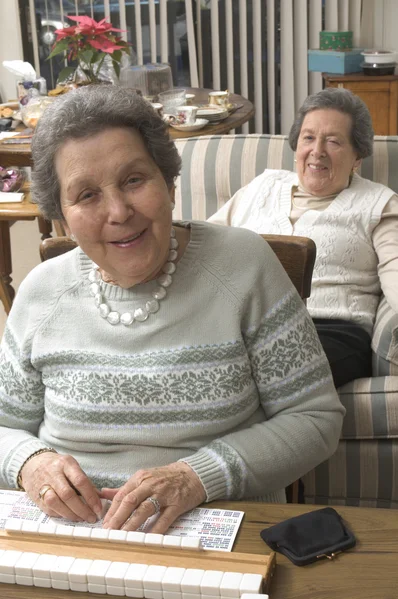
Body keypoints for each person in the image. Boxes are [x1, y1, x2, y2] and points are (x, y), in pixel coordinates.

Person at [0, 85, 344, 534]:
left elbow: (315, 419)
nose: (119, 211)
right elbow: (5, 427)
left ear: (169, 181)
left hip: (215, 528)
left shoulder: (243, 266)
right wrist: (31, 463)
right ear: (61, 213)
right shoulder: (41, 292)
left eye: (133, 180)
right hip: (70, 540)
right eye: (86, 195)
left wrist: (197, 476)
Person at [209, 87, 398, 389]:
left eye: (333, 141)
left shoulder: (379, 204)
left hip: (329, 331)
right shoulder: (263, 185)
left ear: (357, 156)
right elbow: (204, 241)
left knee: (247, 378)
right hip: (245, 325)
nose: (317, 150)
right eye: (308, 137)